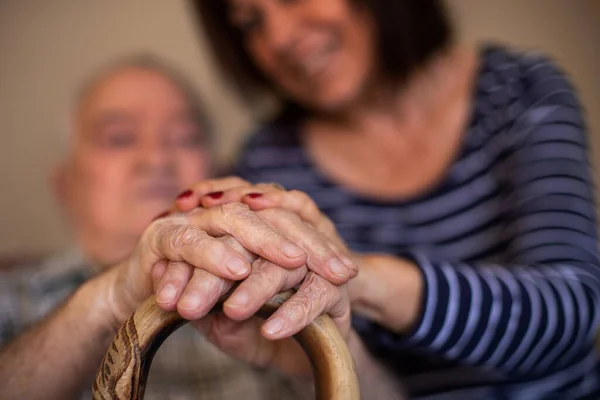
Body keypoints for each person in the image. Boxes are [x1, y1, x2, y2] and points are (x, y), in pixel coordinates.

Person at [179, 0, 600, 398]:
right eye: (251, 22)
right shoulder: (267, 163)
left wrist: (354, 276)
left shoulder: (520, 91)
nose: (280, 38)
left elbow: (572, 312)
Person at [0, 54, 379, 399]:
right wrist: (107, 302)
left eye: (184, 138)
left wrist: (329, 357)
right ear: (63, 184)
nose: (157, 158)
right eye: (119, 138)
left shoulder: (274, 291)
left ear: (214, 173)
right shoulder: (13, 297)